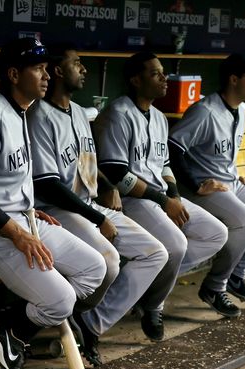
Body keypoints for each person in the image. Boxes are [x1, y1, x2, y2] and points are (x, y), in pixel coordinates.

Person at [0, 38, 106, 369]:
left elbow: (4, 178)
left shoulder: (21, 110)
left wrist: (29, 210)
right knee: (61, 300)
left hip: (24, 221)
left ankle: (11, 326)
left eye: (47, 67)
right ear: (14, 73)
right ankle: (13, 331)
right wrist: (17, 233)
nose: (47, 74)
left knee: (94, 268)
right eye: (37, 68)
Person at [26, 43, 168, 367]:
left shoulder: (78, 111)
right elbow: (46, 183)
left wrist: (106, 185)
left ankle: (89, 323)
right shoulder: (38, 115)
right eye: (77, 63)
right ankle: (50, 322)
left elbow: (88, 163)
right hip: (57, 210)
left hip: (89, 203)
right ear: (59, 70)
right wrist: (95, 216)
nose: (84, 69)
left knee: (155, 253)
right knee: (110, 261)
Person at [93, 52, 228, 323]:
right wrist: (165, 202)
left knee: (216, 233)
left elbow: (165, 164)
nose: (164, 78)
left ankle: (148, 290)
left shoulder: (159, 117)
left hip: (161, 196)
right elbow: (117, 174)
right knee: (176, 245)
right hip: (133, 200)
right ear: (135, 80)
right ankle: (146, 306)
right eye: (155, 73)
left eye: (163, 72)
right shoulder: (118, 114)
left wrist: (174, 196)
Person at [168, 53, 245, 317]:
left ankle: (237, 273)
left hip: (231, 183)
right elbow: (173, 147)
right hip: (203, 189)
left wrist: (237, 173)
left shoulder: (242, 109)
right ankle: (215, 287)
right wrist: (195, 183)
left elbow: (223, 154)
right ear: (234, 79)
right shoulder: (205, 111)